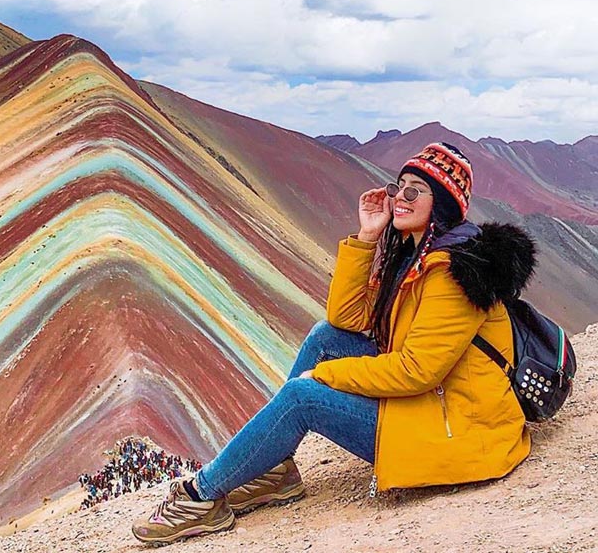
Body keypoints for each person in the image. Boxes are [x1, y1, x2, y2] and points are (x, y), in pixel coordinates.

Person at [133, 142, 536, 545]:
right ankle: (274, 469)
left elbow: (417, 371)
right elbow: (346, 319)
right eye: (399, 186)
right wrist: (366, 237)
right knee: (324, 338)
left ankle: (201, 497)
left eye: (415, 190)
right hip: (433, 404)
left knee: (302, 396)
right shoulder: (418, 258)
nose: (400, 198)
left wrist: (326, 376)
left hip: (457, 429)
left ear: (443, 205)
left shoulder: (453, 273)